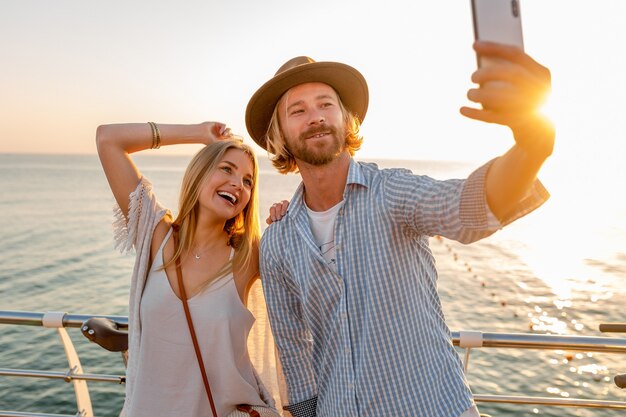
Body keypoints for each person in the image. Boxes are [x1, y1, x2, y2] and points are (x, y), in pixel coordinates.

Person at [245, 41, 554, 417]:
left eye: (326, 104)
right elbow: (294, 353)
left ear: (346, 119)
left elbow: (466, 208)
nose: (315, 117)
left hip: (434, 407)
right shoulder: (277, 241)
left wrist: (533, 143)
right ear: (280, 134)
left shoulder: (392, 192)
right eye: (298, 110)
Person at [96, 122, 283, 416]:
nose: (238, 184)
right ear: (200, 172)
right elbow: (109, 139)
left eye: (248, 181)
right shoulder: (157, 236)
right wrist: (198, 134)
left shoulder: (249, 256)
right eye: (227, 169)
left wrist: (289, 218)